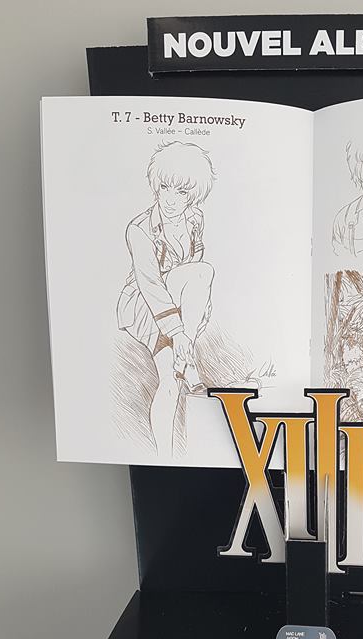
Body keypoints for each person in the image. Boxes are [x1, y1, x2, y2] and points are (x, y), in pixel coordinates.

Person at [115, 141, 216, 454]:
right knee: (203, 271)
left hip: (180, 305)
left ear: (194, 194)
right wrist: (180, 332)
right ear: (155, 185)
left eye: (182, 191)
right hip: (145, 305)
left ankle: (166, 457)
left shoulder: (195, 220)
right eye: (165, 188)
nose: (171, 199)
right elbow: (150, 284)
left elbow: (193, 270)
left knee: (171, 380)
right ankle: (188, 359)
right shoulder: (139, 229)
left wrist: (187, 324)